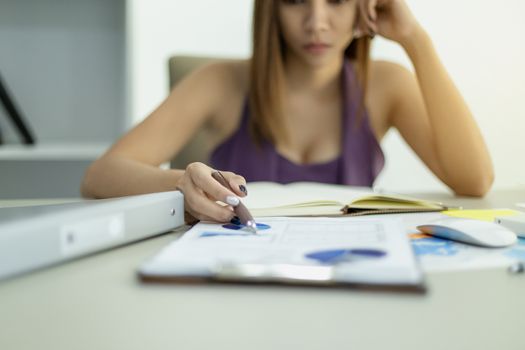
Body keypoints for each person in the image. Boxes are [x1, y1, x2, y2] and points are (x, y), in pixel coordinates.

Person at [81, 0, 494, 224]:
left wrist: (415, 39)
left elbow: (474, 181)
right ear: (271, 9)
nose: (316, 22)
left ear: (363, 7)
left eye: (335, 0)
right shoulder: (219, 82)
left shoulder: (386, 84)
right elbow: (100, 175)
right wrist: (182, 182)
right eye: (296, 0)